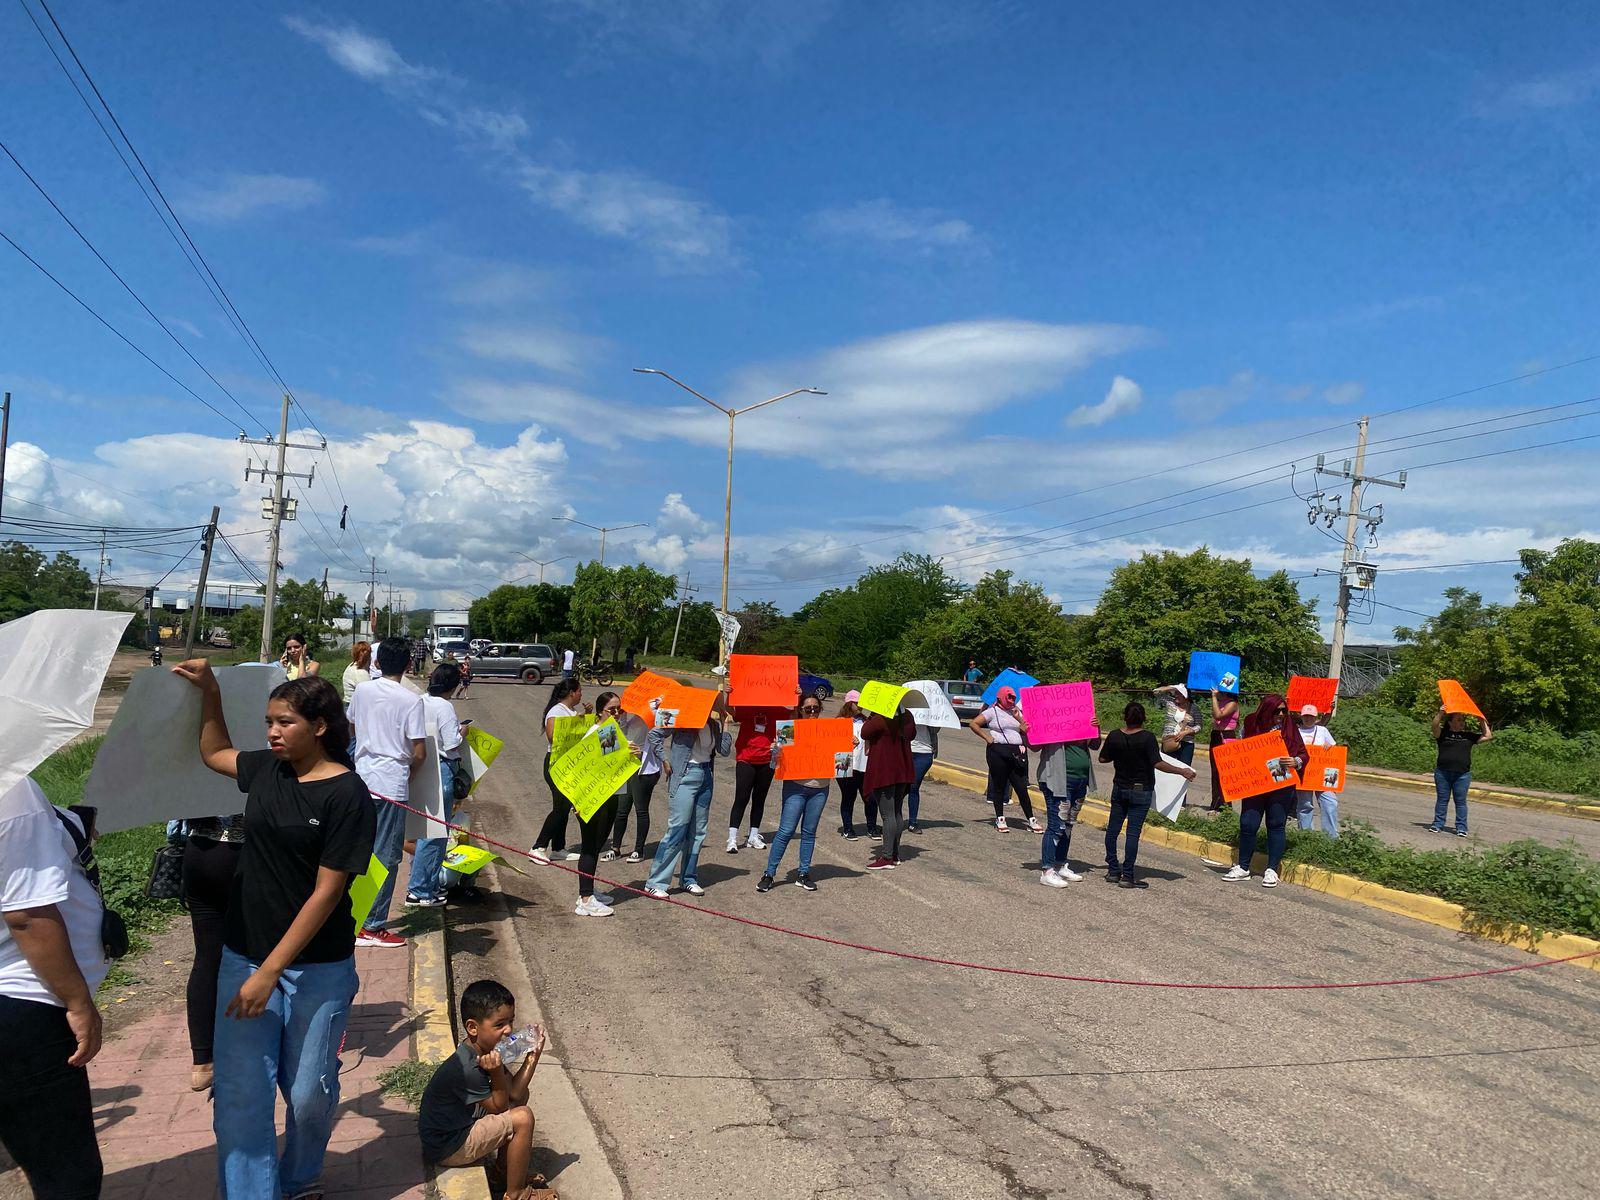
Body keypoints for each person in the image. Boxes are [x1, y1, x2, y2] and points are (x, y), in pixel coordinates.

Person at [172, 660, 376, 1198]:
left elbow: (327, 892)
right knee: (242, 1095)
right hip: (244, 956)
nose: (272, 732)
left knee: (308, 1092)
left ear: (321, 726)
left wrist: (272, 970)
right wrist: (210, 692)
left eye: (285, 722)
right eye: (268, 722)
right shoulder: (267, 770)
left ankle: (301, 1176)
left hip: (317, 969)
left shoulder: (347, 795)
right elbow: (214, 753)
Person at [0, 776, 109, 1199]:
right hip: (23, 1002)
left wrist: (66, 826)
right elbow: (26, 914)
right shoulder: (10, 790)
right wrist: (78, 1002)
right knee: (67, 1174)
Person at [418, 979, 543, 1200]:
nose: (509, 1030)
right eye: (499, 1024)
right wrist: (496, 1073)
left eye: (511, 1021)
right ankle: (516, 1194)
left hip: (461, 1125)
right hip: (448, 1145)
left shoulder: (487, 1049)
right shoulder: (468, 1066)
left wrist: (532, 1057)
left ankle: (501, 1174)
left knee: (520, 1103)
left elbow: (515, 1092)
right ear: (472, 1027)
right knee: (522, 1117)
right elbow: (500, 1108)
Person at [347, 636, 426, 947]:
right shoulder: (410, 700)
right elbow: (418, 751)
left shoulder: (363, 690)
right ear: (408, 665)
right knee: (387, 855)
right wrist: (409, 774)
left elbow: (351, 727)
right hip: (392, 784)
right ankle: (372, 925)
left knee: (361, 851)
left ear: (377, 663)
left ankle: (353, 916)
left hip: (361, 779)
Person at [179, 810, 245, 1093]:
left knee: (207, 957)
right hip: (245, 854)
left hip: (199, 852)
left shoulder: (195, 764)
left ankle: (202, 1062)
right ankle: (248, 1046)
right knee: (254, 952)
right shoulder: (256, 764)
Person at [644, 693, 732, 898]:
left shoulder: (712, 725)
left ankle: (688, 878)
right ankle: (655, 882)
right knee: (677, 828)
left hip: (705, 776)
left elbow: (725, 750)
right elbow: (654, 735)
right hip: (684, 775)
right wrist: (664, 760)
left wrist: (724, 722)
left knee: (698, 831)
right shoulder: (682, 719)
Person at [1099, 702, 1195, 888]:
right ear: (1144, 718)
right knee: (1132, 833)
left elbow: (1103, 758)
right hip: (1140, 790)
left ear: (1124, 716)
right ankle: (1127, 876)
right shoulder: (1147, 738)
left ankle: (1112, 870)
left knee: (1113, 830)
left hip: (1119, 788)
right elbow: (1157, 763)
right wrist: (1181, 770)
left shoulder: (1114, 736)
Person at [1223, 694, 1306, 887]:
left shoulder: (1290, 727)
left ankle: (1271, 870)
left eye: (1284, 710)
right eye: (1277, 710)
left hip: (1280, 785)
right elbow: (1241, 746)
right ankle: (1243, 867)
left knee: (1276, 825)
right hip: (1255, 783)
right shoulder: (1251, 723)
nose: (1281, 714)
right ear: (1266, 709)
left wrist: (1296, 761)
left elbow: (1303, 753)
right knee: (1248, 824)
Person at [570, 693, 637, 917]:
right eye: (612, 710)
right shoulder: (598, 733)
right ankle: (585, 898)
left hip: (611, 795)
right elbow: (581, 770)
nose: (617, 714)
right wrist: (577, 801)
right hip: (592, 799)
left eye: (620, 710)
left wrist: (633, 752)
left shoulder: (612, 732)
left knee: (597, 846)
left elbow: (614, 761)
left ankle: (588, 890)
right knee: (590, 847)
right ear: (600, 711)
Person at [756, 694, 831, 892]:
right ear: (800, 710)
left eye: (816, 708)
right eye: (808, 709)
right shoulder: (789, 730)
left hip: (820, 788)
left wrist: (850, 745)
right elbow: (775, 764)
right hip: (795, 787)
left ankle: (803, 873)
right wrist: (775, 751)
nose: (812, 712)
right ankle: (769, 874)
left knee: (809, 832)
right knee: (786, 831)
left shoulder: (829, 731)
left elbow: (840, 757)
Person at [408, 664, 465, 908]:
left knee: (424, 829)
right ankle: (420, 890)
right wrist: (463, 730)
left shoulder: (419, 701)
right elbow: (452, 743)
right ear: (452, 686)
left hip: (423, 765)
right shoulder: (445, 706)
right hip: (442, 767)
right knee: (436, 833)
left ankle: (426, 885)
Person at [727, 699, 795, 853]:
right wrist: (729, 694)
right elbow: (730, 711)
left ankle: (753, 835)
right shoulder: (747, 706)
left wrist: (796, 697)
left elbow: (792, 722)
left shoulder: (780, 709)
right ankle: (732, 838)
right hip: (746, 758)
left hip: (768, 760)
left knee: (760, 799)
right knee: (741, 798)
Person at [531, 678, 588, 864]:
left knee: (564, 805)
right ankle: (538, 847)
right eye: (579, 691)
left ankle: (558, 848)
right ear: (572, 692)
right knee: (561, 806)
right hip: (555, 763)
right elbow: (552, 737)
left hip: (568, 764)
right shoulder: (556, 711)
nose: (581, 694)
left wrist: (585, 717)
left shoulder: (569, 711)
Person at [970, 686, 1040, 833]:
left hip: (1016, 752)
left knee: (1021, 786)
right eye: (1009, 697)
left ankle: (1031, 819)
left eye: (1013, 698)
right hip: (998, 751)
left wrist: (1018, 717)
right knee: (1000, 785)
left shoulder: (1015, 712)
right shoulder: (992, 712)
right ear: (1001, 697)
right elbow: (974, 723)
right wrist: (988, 738)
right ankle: (1000, 818)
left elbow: (1026, 729)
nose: (1012, 700)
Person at [1035, 731, 1100, 887]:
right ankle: (1048, 871)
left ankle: (1060, 863)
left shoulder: (1083, 717)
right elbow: (1034, 746)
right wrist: (1026, 729)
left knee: (1068, 825)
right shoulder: (1052, 716)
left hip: (1080, 780)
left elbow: (1095, 745)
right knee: (1056, 825)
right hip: (1058, 780)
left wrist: (1095, 730)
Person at [607, 702, 662, 864]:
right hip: (625, 766)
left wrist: (644, 751)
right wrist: (620, 717)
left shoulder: (653, 715)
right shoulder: (629, 718)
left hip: (644, 768)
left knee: (640, 809)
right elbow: (619, 739)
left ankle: (639, 849)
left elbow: (658, 739)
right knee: (621, 809)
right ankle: (615, 848)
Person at [862, 706, 916, 871]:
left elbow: (865, 732)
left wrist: (872, 715)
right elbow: (912, 735)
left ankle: (886, 856)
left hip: (885, 769)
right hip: (902, 768)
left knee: (887, 815)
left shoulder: (880, 718)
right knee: (897, 811)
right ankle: (894, 853)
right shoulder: (907, 715)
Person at [1431, 706, 1492, 836]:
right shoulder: (1443, 734)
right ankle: (1437, 824)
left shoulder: (1468, 736)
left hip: (1462, 775)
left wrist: (1481, 720)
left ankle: (1461, 828)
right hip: (1443, 773)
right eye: (1458, 720)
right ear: (1450, 722)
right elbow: (1434, 726)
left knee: (1460, 802)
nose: (1462, 722)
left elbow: (1488, 736)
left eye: (1462, 720)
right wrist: (1441, 712)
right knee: (1442, 800)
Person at [1294, 703, 1340, 838]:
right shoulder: (1296, 732)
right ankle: (1306, 836)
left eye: (1311, 716)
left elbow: (1334, 750)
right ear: (1301, 716)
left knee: (1329, 802)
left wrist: (1328, 746)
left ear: (1316, 717)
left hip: (1322, 774)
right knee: (1305, 805)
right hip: (1303, 774)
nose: (1308, 719)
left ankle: (1331, 836)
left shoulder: (1322, 731)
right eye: (1306, 716)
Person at [836, 691, 875, 839]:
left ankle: (871, 827)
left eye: (861, 703)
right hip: (844, 761)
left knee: (870, 798)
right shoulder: (839, 721)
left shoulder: (867, 721)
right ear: (849, 703)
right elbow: (831, 743)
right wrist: (846, 739)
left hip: (864, 764)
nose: (860, 706)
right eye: (856, 703)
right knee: (848, 797)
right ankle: (848, 829)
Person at [1207, 686, 1240, 811]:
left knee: (1224, 772)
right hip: (1216, 735)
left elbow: (1218, 715)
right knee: (1215, 772)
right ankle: (1215, 803)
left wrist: (1214, 698)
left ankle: (1226, 805)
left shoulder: (1232, 703)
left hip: (1226, 737)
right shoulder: (1220, 702)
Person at [1153, 683, 1200, 766]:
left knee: (1184, 770)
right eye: (1176, 693)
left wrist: (1186, 732)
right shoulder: (1170, 703)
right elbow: (1156, 692)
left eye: (1179, 693)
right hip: (1169, 740)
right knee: (1166, 768)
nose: (1176, 695)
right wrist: (1173, 687)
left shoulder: (1194, 708)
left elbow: (1199, 726)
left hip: (1186, 744)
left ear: (1185, 696)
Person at [907, 719, 938, 834]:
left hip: (924, 751)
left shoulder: (931, 708)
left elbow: (936, 730)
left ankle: (912, 822)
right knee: (901, 787)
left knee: (913, 786)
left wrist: (932, 719)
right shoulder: (903, 708)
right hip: (905, 749)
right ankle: (894, 820)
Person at [342, 640, 372, 705]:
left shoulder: (351, 666)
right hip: (356, 706)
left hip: (349, 704)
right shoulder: (361, 673)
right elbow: (368, 695)